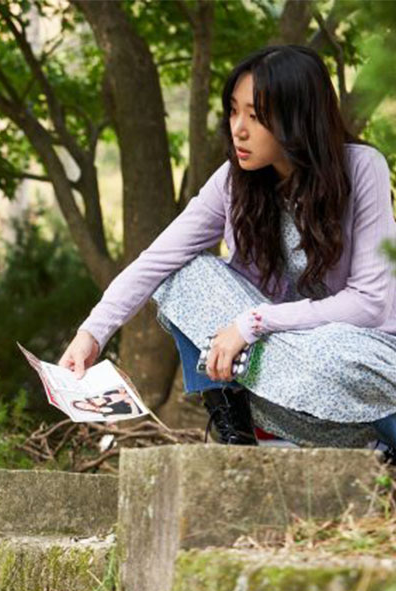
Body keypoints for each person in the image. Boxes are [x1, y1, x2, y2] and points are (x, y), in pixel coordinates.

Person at [58, 45, 396, 450]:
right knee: (186, 274)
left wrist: (255, 322)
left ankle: (380, 438)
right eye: (234, 111)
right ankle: (236, 430)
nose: (238, 128)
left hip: (349, 348)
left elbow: (370, 305)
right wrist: (91, 334)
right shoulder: (233, 183)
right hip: (272, 356)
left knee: (331, 358)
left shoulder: (361, 169)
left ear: (298, 117)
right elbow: (156, 260)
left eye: (255, 116)